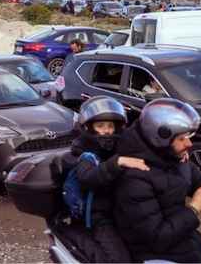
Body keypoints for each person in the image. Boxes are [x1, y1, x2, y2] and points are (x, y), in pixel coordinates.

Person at [114, 98, 201, 263]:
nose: (189, 144)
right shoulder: (133, 179)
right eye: (182, 138)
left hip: (190, 245)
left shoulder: (169, 157)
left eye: (189, 136)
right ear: (159, 139)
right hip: (156, 255)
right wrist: (194, 209)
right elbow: (157, 238)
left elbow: (199, 179)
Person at [62, 97, 149, 263]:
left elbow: (143, 148)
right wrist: (117, 163)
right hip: (98, 217)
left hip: (121, 210)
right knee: (119, 259)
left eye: (110, 126)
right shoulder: (86, 155)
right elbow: (88, 177)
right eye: (100, 126)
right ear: (88, 127)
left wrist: (173, 153)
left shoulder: (118, 148)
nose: (107, 130)